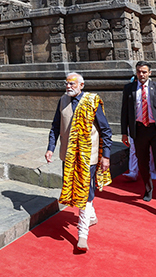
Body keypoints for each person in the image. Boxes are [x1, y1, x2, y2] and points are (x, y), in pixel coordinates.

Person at [46, 72, 112, 251]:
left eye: (72, 84)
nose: (68, 86)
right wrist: (50, 148)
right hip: (68, 156)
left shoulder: (92, 101)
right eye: (67, 83)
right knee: (76, 189)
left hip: (88, 156)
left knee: (84, 191)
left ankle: (82, 235)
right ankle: (91, 217)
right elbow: (55, 127)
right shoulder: (63, 101)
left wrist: (106, 155)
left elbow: (106, 130)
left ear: (82, 85)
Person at [121, 61, 156, 221]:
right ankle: (148, 188)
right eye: (139, 71)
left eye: (144, 72)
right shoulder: (129, 88)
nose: (141, 74)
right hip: (139, 131)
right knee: (142, 163)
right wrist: (124, 133)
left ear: (150, 73)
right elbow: (125, 112)